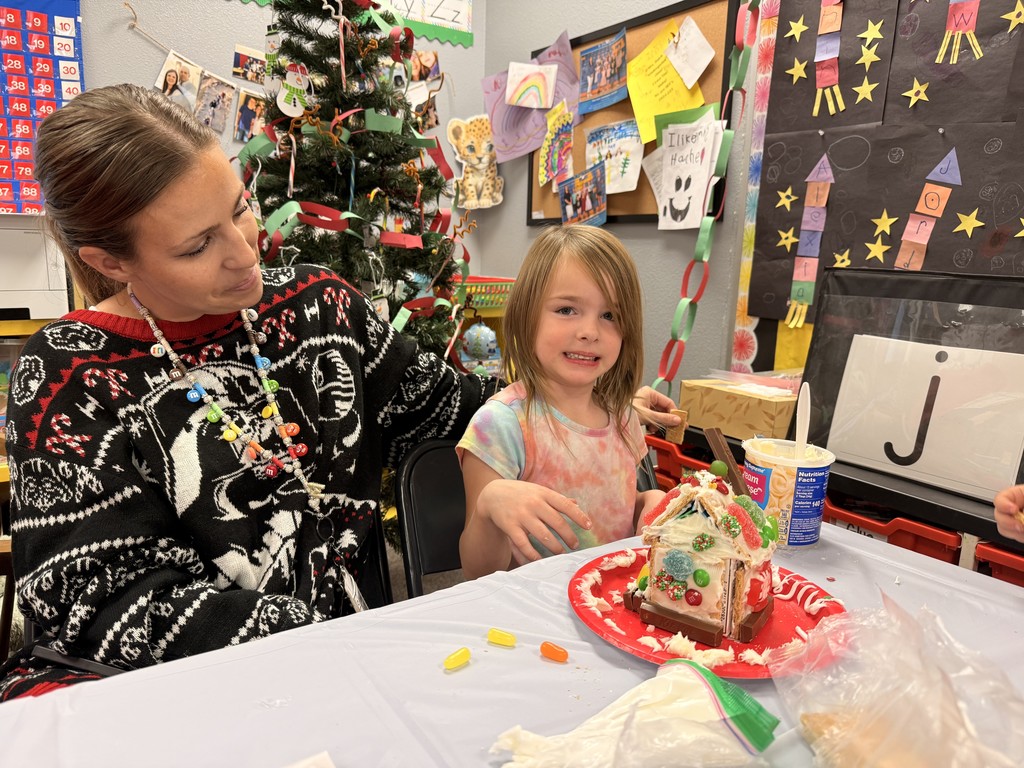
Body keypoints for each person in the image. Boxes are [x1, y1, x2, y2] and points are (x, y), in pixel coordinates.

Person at [0, 84, 679, 700]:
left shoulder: (321, 306)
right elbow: (99, 606)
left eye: (240, 208)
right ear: (109, 261)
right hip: (201, 694)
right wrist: (340, 642)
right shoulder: (68, 374)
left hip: (358, 669)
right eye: (199, 244)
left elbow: (454, 405)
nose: (245, 252)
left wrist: (584, 404)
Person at [458, 225, 666, 578]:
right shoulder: (501, 425)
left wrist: (647, 503)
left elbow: (616, 518)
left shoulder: (623, 419)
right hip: (532, 619)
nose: (590, 331)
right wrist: (489, 504)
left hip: (610, 608)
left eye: (610, 315)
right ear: (527, 315)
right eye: (567, 310)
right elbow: (476, 573)